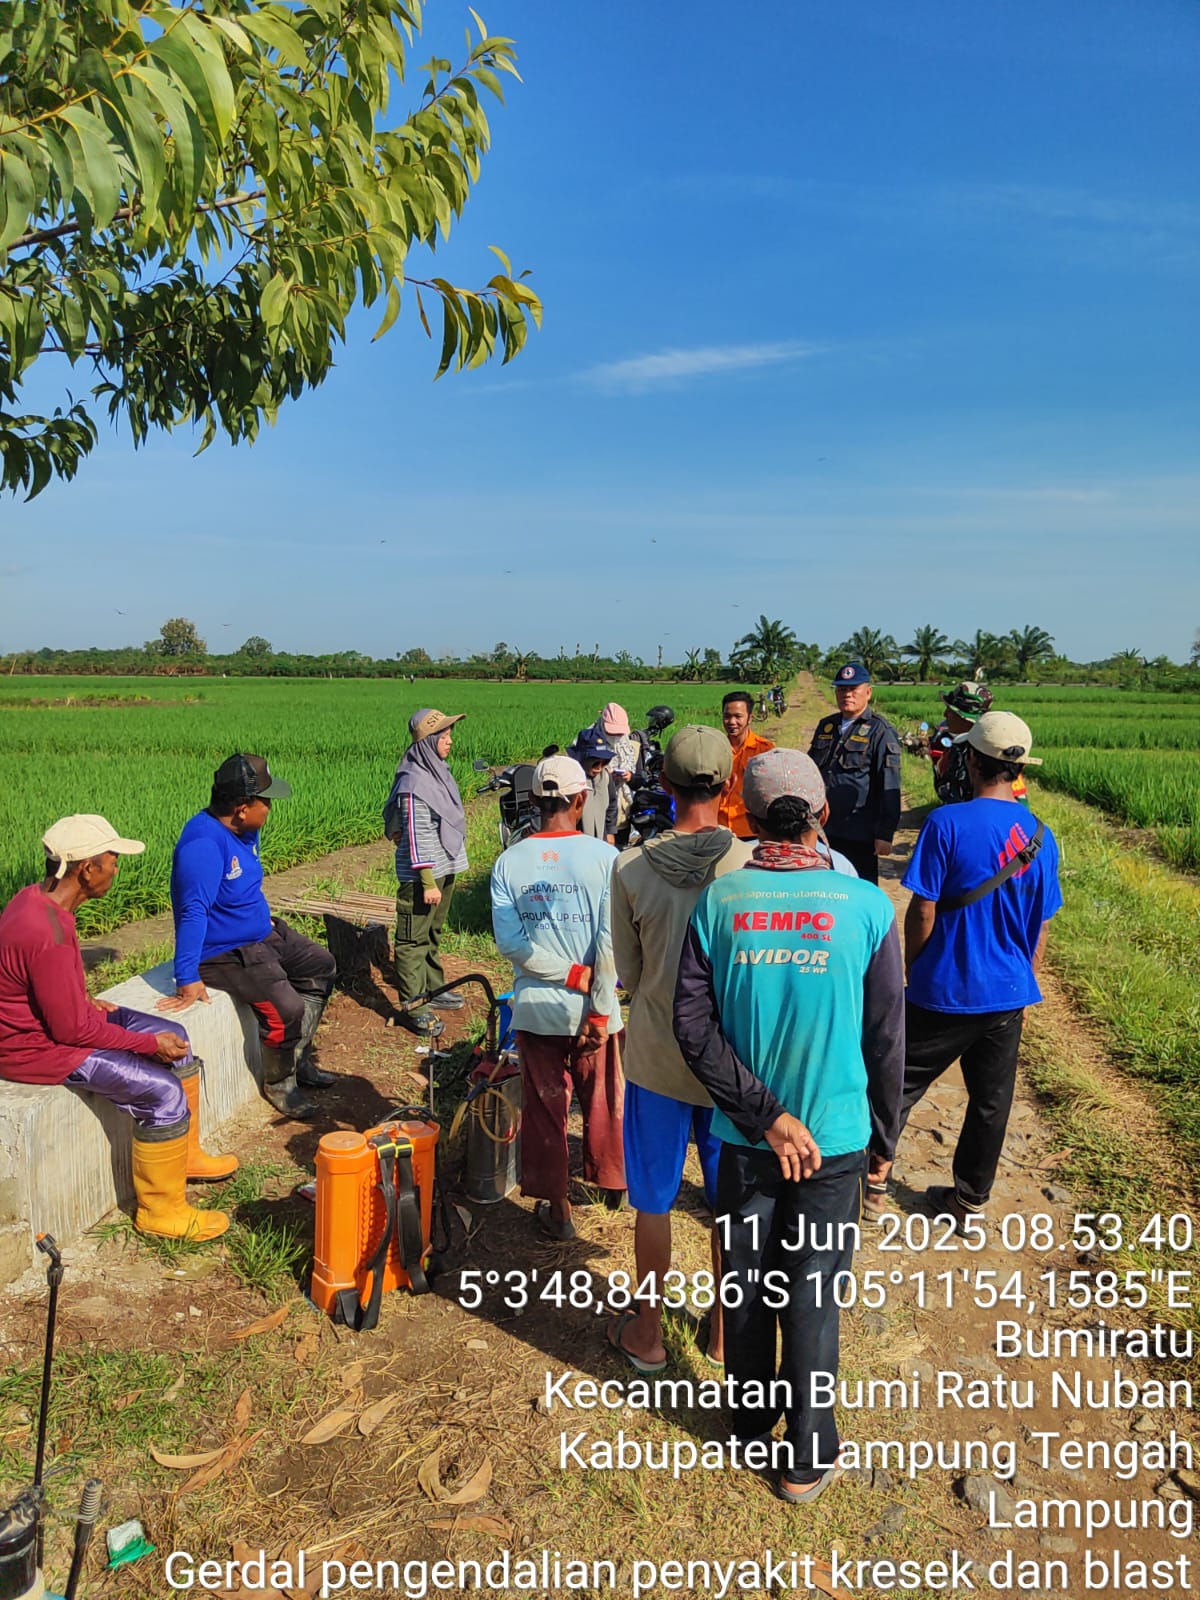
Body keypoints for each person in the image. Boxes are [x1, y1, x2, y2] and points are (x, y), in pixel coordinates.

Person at [674, 750, 904, 1503]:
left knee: (745, 1280)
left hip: (746, 1138)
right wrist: (883, 1143)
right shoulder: (866, 906)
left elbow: (693, 1027)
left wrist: (766, 1115)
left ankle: (748, 1423)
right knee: (812, 1291)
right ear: (823, 815)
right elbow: (886, 1039)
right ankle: (805, 1456)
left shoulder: (719, 901)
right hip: (834, 1138)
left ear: (745, 815)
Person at [867, 712, 1061, 1231]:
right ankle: (969, 1200)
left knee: (896, 1083)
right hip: (1008, 992)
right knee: (991, 1101)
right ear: (1020, 769)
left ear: (971, 760)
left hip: (943, 988)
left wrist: (916, 967)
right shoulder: (1042, 836)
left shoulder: (947, 822)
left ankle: (873, 1181)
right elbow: (1040, 926)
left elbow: (923, 909)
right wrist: (1025, 982)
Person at [0, 816, 233, 1241]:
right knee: (163, 1092)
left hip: (61, 1022)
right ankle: (160, 1211)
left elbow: (39, 984)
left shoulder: (37, 901)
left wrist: (80, 996)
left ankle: (184, 1155)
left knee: (177, 1039)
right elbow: (70, 1031)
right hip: (36, 1049)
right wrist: (145, 1043)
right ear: (87, 869)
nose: (116, 868)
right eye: (112, 860)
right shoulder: (47, 931)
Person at [609, 725, 753, 1374]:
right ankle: (723, 1335)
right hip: (730, 1066)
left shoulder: (630, 867)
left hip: (657, 1059)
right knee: (729, 1206)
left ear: (663, 783)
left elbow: (631, 975)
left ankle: (648, 1333)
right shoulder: (751, 866)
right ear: (729, 784)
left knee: (653, 1200)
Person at [490, 754, 625, 1240]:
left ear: (533, 800)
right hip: (594, 1010)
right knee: (604, 1098)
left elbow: (512, 945)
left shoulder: (509, 862)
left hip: (537, 1010)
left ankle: (559, 1208)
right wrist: (599, 1007)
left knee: (546, 1106)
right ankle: (613, 1184)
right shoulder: (605, 859)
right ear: (581, 799)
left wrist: (569, 975)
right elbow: (610, 942)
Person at [161, 754, 336, 1121]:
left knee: (321, 965)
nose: (270, 808)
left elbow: (242, 885)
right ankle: (280, 1083)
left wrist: (258, 919)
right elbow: (193, 912)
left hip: (260, 933)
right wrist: (186, 975)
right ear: (242, 809)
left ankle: (298, 1058)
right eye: (265, 801)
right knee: (286, 1009)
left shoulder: (244, 830)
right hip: (224, 952)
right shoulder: (203, 845)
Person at [383, 708, 469, 1034]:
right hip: (423, 876)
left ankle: (434, 988)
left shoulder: (438, 773)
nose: (450, 741)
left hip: (444, 867)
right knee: (412, 939)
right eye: (443, 736)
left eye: (449, 735)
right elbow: (417, 836)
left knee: (432, 931)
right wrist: (428, 882)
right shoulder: (414, 783)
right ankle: (414, 1005)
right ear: (428, 741)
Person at [808, 662, 901, 884]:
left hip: (859, 832)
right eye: (841, 689)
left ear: (868, 693)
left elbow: (890, 785)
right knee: (823, 887)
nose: (847, 694)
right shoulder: (826, 726)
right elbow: (811, 770)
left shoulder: (881, 731)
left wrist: (885, 833)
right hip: (823, 830)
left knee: (859, 889)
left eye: (853, 689)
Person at [930, 682, 1027, 806]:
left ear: (964, 719)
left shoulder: (989, 752)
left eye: (950, 711)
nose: (945, 715)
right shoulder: (958, 745)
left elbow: (1018, 798)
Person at [716, 691, 775, 840]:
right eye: (727, 716)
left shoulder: (764, 750)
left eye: (738, 716)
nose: (732, 722)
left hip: (750, 831)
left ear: (750, 718)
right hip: (718, 828)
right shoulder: (714, 748)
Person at [567, 726, 619, 844]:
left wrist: (610, 831)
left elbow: (612, 804)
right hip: (577, 839)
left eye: (604, 763)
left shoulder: (605, 777)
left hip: (601, 837)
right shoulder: (571, 778)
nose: (599, 768)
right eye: (595, 763)